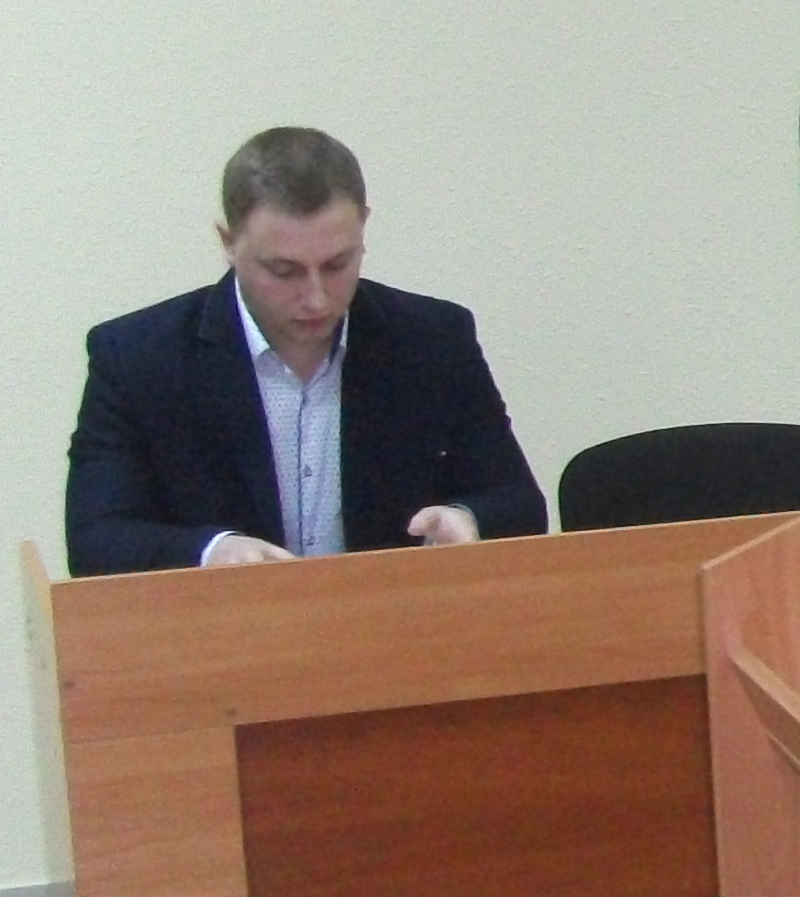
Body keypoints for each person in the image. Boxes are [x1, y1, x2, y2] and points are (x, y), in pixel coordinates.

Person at [65, 127, 546, 575]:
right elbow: (96, 539)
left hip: (393, 625)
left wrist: (467, 518)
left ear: (364, 227)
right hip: (223, 630)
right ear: (229, 243)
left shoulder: (432, 340)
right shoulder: (138, 357)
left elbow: (519, 502)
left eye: (337, 264)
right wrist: (212, 552)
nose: (316, 298)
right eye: (284, 271)